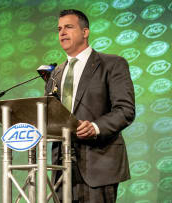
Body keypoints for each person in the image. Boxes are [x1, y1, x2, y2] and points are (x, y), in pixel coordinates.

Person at [45, 9, 135, 202]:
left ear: (85, 32)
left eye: (69, 27)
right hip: (61, 167)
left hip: (98, 162)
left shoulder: (112, 64)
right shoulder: (55, 74)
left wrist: (95, 127)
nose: (62, 32)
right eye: (59, 28)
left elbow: (125, 110)